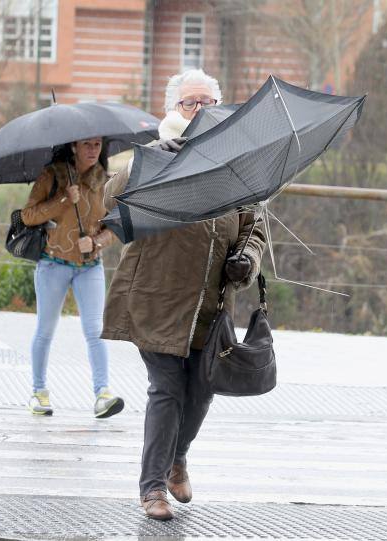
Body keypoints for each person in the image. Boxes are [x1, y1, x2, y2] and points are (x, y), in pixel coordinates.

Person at [102, 69, 266, 520]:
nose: (201, 111)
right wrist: (147, 161)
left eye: (210, 103)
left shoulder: (236, 165)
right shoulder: (154, 157)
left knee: (201, 392)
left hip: (210, 305)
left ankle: (178, 459)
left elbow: (254, 229)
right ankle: (152, 487)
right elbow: (107, 205)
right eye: (192, 102)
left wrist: (247, 261)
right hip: (156, 298)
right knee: (168, 390)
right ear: (174, 108)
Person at [21, 137, 124, 419]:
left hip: (90, 267)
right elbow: (28, 216)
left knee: (95, 330)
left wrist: (96, 242)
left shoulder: (106, 182)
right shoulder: (52, 175)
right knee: (45, 330)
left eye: (97, 145)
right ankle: (38, 392)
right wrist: (65, 199)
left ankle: (103, 394)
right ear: (74, 147)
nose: (93, 150)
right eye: (86, 145)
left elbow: (116, 227)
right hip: (52, 264)